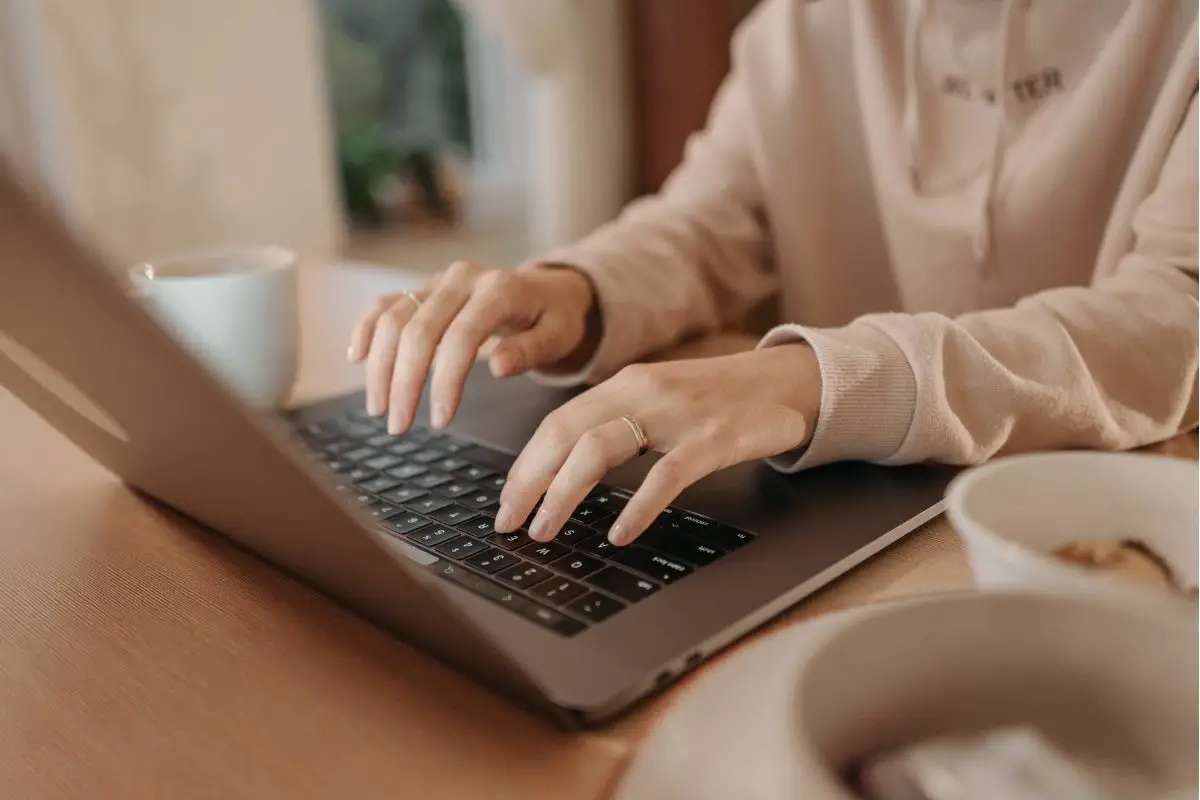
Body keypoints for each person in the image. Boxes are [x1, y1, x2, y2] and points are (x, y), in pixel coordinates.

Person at [347, 0, 1198, 549]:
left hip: (1100, 532)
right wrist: (577, 289)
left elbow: (1173, 315)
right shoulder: (798, 27)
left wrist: (811, 380)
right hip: (844, 526)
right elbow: (706, 225)